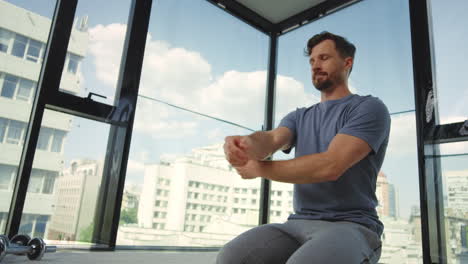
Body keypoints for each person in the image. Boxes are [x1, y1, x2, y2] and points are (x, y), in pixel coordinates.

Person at [217, 31, 391, 264]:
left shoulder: (369, 108)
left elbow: (331, 165)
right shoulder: (299, 117)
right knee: (231, 257)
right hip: (297, 223)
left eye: (324, 58)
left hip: (353, 225)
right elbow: (270, 140)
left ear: (347, 63)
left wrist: (259, 168)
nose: (315, 65)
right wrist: (246, 145)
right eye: (312, 60)